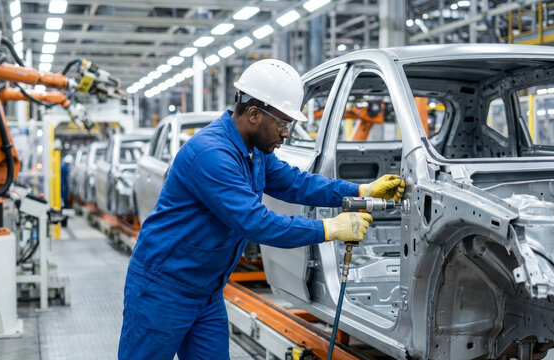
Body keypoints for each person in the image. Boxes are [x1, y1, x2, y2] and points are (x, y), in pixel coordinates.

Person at [118, 59, 405, 360]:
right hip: (163, 288)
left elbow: (295, 183)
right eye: (282, 123)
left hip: (207, 290)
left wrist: (360, 190)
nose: (285, 133)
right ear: (254, 114)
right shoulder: (211, 154)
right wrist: (329, 229)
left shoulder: (254, 152)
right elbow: (255, 223)